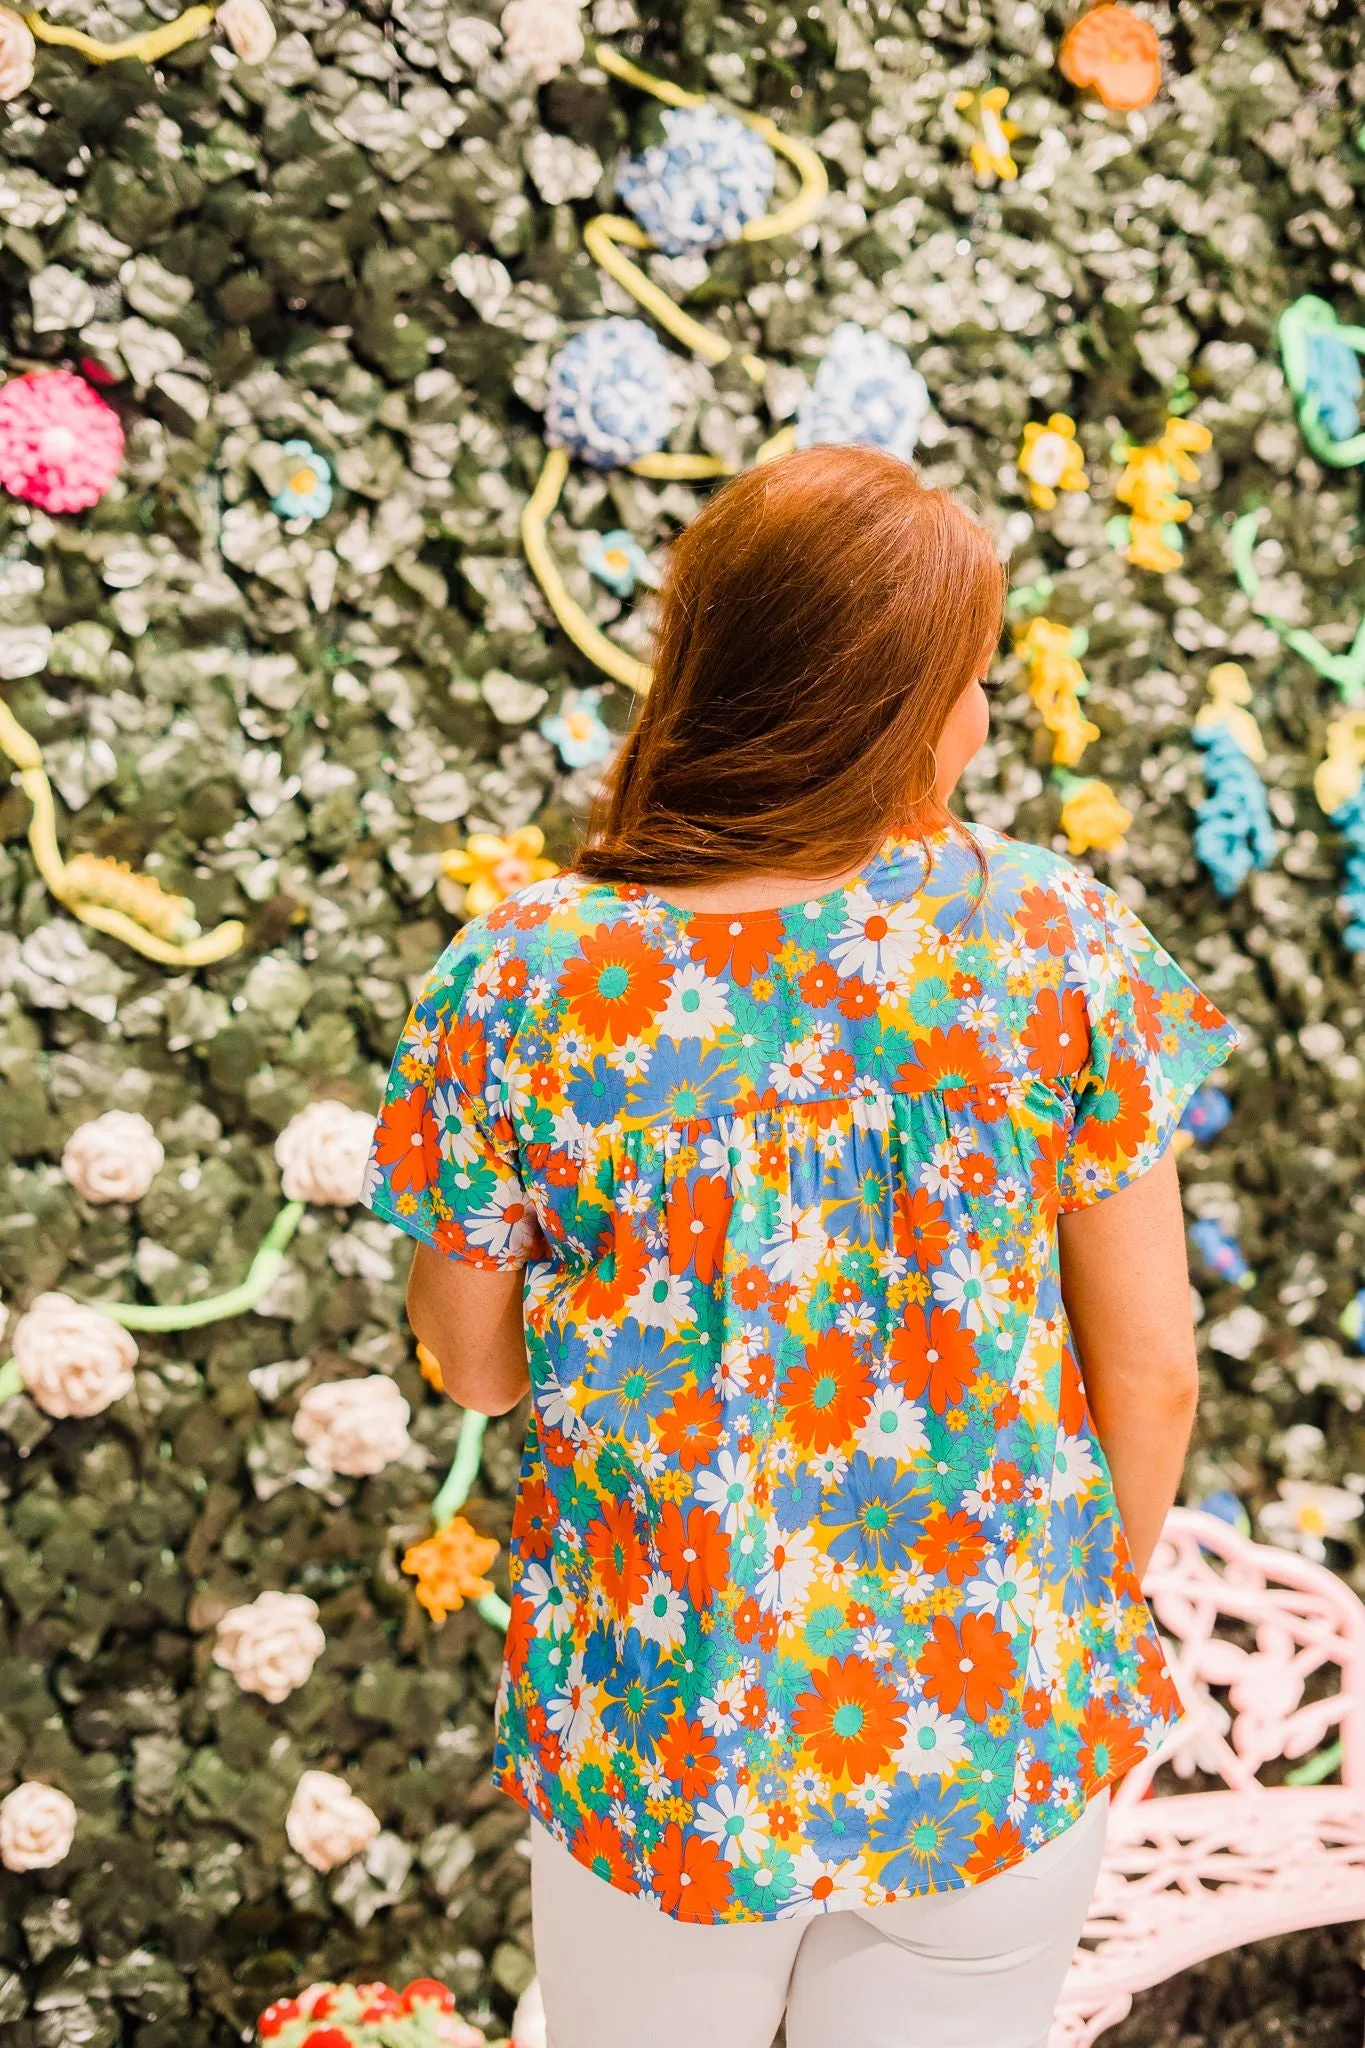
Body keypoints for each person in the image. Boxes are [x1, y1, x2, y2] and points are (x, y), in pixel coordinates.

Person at [363, 445, 1239, 2048]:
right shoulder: (1052, 946)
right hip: (990, 1716)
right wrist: (1057, 1611)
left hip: (664, 1728)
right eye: (969, 683)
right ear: (895, 709)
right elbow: (1157, 1366)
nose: (981, 718)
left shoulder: (522, 983)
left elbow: (476, 1370)